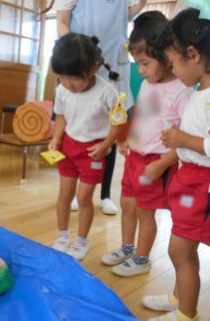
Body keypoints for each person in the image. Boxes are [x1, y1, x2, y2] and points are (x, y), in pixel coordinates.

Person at [142, 8, 210, 321]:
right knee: (180, 246)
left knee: (180, 249)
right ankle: (179, 296)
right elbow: (201, 138)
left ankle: (188, 316)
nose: (172, 70)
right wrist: (177, 146)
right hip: (190, 179)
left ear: (194, 54)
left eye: (173, 62)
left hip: (205, 185)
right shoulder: (204, 91)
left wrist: (183, 139)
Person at [101, 11, 191, 277]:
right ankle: (127, 247)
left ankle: (142, 259)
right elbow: (143, 116)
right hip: (135, 158)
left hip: (157, 163)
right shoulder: (148, 84)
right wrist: (130, 138)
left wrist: (163, 164)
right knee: (127, 205)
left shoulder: (181, 90)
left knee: (145, 212)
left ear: (165, 56)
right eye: (137, 64)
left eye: (145, 63)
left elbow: (186, 138)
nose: (140, 71)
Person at [55, 0, 147, 215]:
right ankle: (77, 191)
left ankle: (105, 194)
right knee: (76, 126)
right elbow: (61, 20)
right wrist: (74, 55)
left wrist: (141, 3)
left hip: (112, 63)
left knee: (109, 132)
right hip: (80, 64)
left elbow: (125, 16)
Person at [49, 33, 124, 261]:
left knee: (83, 198)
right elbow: (61, 117)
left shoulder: (107, 92)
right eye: (61, 77)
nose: (67, 84)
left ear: (93, 69)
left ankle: (81, 239)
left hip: (92, 151)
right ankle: (63, 235)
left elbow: (117, 121)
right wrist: (56, 139)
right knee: (64, 195)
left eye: (73, 78)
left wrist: (106, 145)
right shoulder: (62, 90)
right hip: (68, 148)